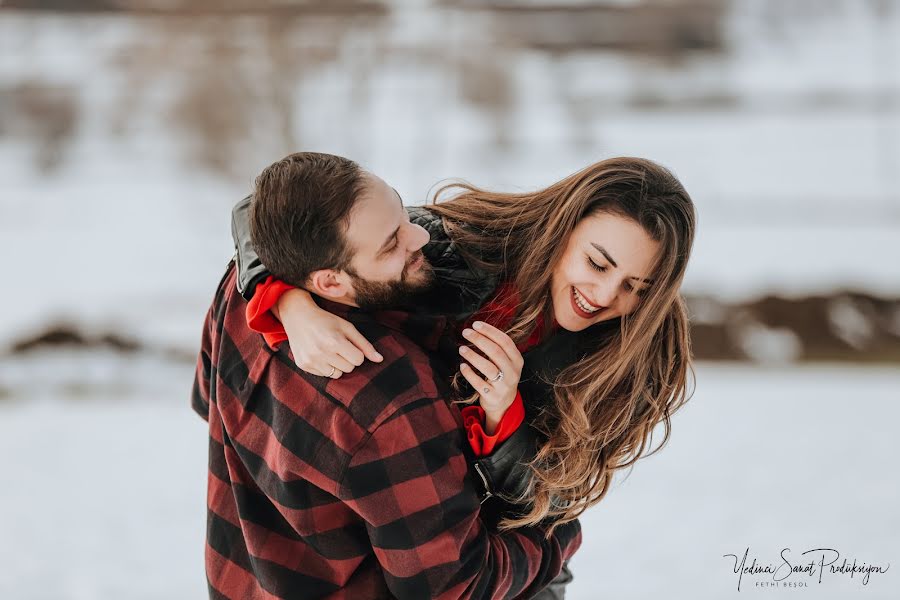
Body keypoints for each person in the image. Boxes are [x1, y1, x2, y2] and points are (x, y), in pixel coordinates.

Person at [231, 154, 697, 545]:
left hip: (511, 568)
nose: (603, 295)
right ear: (564, 226)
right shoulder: (463, 245)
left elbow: (555, 500)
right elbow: (271, 213)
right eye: (597, 263)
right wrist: (289, 302)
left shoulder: (639, 358)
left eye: (636, 287)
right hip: (399, 531)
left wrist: (502, 416)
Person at [192, 152, 581, 600]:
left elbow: (209, 399)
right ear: (331, 283)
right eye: (391, 243)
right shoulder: (393, 397)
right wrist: (558, 529)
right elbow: (455, 588)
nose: (419, 235)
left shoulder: (238, 293)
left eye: (400, 209)